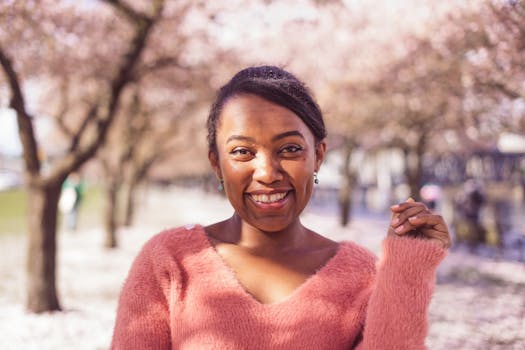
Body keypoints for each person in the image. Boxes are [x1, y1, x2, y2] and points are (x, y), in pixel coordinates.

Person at [111, 66, 451, 349]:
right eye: (242, 152)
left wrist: (408, 268)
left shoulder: (361, 275)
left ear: (318, 155)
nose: (268, 173)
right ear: (216, 164)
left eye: (289, 149)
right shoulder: (169, 261)